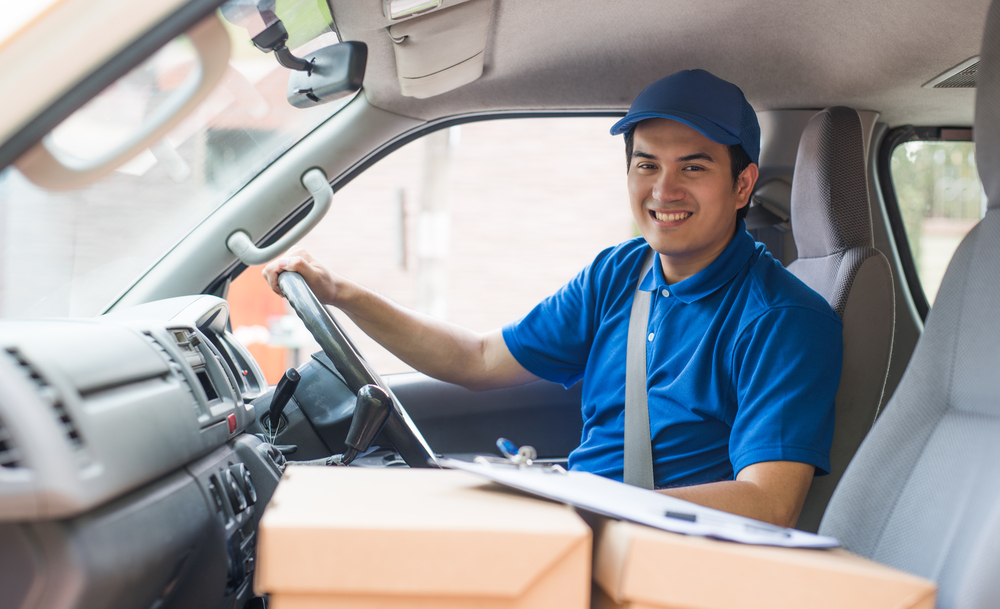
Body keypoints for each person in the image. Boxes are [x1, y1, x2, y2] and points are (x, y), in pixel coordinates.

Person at [262, 69, 843, 528]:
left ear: (742, 185)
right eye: (647, 165)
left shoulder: (783, 320)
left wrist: (591, 508)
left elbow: (768, 504)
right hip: (579, 530)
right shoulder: (621, 271)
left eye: (693, 167)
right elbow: (479, 359)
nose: (665, 189)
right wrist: (345, 295)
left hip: (657, 558)